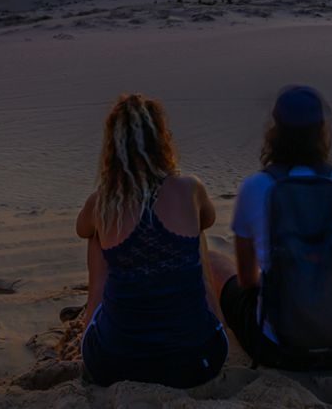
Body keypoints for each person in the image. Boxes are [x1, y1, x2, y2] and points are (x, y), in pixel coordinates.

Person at [75, 93, 231, 389]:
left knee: (97, 234)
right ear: (162, 140)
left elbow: (82, 228)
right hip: (198, 362)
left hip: (114, 366)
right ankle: (214, 321)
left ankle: (91, 322)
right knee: (194, 227)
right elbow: (207, 219)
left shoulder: (104, 201)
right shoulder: (189, 188)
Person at [219, 85, 332, 371]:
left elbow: (246, 278)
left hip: (279, 350)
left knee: (220, 270)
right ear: (323, 133)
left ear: (274, 131)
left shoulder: (256, 187)